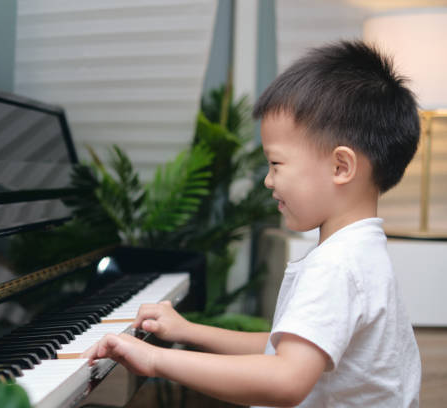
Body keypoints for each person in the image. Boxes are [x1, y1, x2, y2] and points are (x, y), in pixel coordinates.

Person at [82, 40, 422, 407]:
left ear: (341, 167)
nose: (268, 180)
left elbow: (286, 379)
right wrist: (189, 332)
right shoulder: (359, 252)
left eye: (276, 164)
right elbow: (282, 347)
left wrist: (156, 359)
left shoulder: (337, 266)